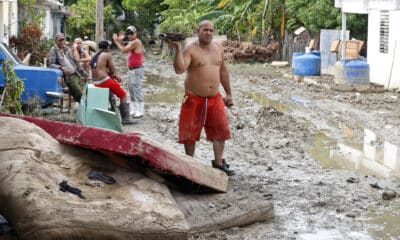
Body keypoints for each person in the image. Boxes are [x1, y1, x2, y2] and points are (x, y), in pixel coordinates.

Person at [165, 20, 235, 176]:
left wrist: (229, 93)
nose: (208, 33)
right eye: (205, 30)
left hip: (214, 97)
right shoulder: (191, 50)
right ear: (197, 31)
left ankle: (218, 163)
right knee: (189, 133)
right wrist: (177, 48)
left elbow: (223, 72)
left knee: (220, 130)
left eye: (211, 30)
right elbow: (179, 69)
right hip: (193, 97)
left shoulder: (218, 48)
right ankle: (189, 163)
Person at [90, 41, 136, 125]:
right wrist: (116, 77)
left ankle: (113, 108)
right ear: (107, 47)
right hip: (103, 81)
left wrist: (113, 77)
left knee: (112, 87)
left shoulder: (95, 55)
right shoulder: (107, 55)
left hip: (95, 82)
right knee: (123, 95)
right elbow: (112, 71)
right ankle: (125, 119)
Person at [112, 26, 145, 118]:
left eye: (132, 33)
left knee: (137, 89)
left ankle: (140, 110)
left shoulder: (136, 42)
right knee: (131, 89)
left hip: (137, 69)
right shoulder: (131, 42)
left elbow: (123, 50)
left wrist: (116, 42)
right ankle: (134, 109)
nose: (130, 35)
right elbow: (125, 47)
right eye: (129, 33)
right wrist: (120, 41)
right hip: (132, 69)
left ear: (136, 33)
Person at [48, 33, 87, 103]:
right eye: (60, 40)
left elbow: (75, 61)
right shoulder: (53, 50)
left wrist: (82, 71)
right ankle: (84, 106)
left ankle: (84, 106)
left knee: (85, 91)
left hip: (76, 73)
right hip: (67, 77)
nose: (62, 41)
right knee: (79, 92)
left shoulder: (67, 49)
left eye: (63, 40)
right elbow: (51, 64)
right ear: (56, 41)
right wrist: (61, 67)